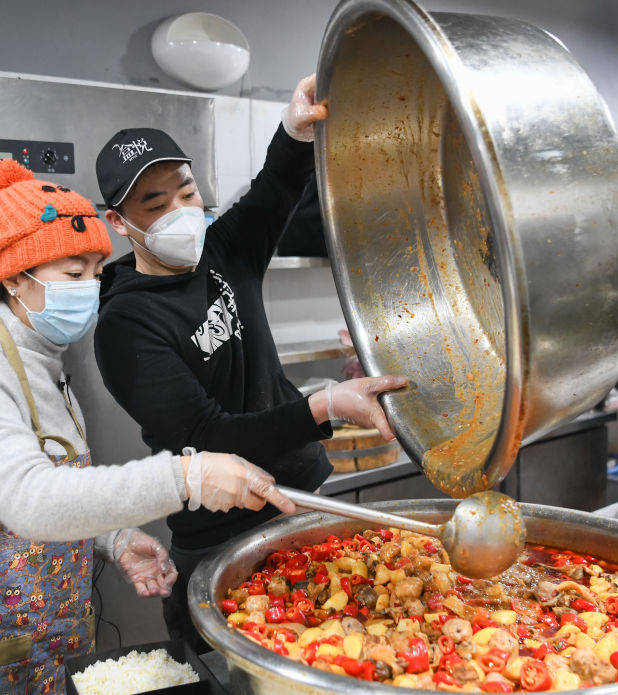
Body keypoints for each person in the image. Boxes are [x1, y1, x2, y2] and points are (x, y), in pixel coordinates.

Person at [0, 158, 295, 694]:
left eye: (95, 270)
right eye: (73, 274)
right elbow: (30, 500)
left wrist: (112, 539)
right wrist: (188, 477)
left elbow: (40, 491)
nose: (89, 288)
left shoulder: (43, 365)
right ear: (14, 276)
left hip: (51, 641)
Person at [93, 74, 407, 649]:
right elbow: (208, 434)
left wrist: (294, 131)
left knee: (334, 658)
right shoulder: (125, 326)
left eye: (186, 193)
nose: (181, 211)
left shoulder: (222, 250)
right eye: (156, 205)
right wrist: (324, 406)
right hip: (220, 535)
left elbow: (274, 191)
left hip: (303, 506)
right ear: (119, 222)